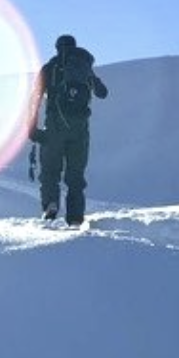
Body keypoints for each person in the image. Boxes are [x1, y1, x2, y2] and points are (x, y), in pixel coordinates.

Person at [26, 34, 109, 226]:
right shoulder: (84, 66)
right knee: (76, 176)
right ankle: (75, 218)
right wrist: (88, 76)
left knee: (50, 172)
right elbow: (103, 93)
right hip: (80, 128)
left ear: (57, 48)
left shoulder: (49, 68)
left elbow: (35, 98)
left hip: (54, 125)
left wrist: (31, 126)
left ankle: (51, 206)